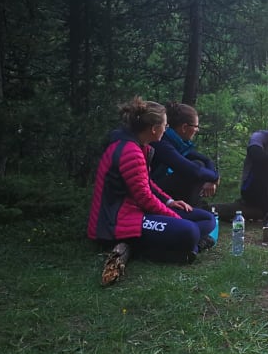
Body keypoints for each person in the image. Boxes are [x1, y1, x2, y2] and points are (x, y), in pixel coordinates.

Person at [88, 97, 218, 286]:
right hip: (117, 222)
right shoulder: (129, 151)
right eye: (165, 126)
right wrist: (174, 217)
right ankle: (147, 249)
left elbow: (147, 184)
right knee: (189, 231)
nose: (166, 130)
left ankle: (186, 246)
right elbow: (144, 197)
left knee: (207, 218)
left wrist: (170, 202)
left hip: (135, 212)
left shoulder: (139, 147)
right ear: (154, 128)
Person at [150, 102, 219, 208]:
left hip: (162, 189)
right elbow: (193, 171)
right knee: (194, 169)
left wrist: (211, 179)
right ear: (184, 127)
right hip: (152, 191)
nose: (197, 129)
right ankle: (191, 209)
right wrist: (215, 177)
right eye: (196, 126)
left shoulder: (179, 144)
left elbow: (206, 160)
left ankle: (193, 207)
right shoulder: (161, 143)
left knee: (199, 164)